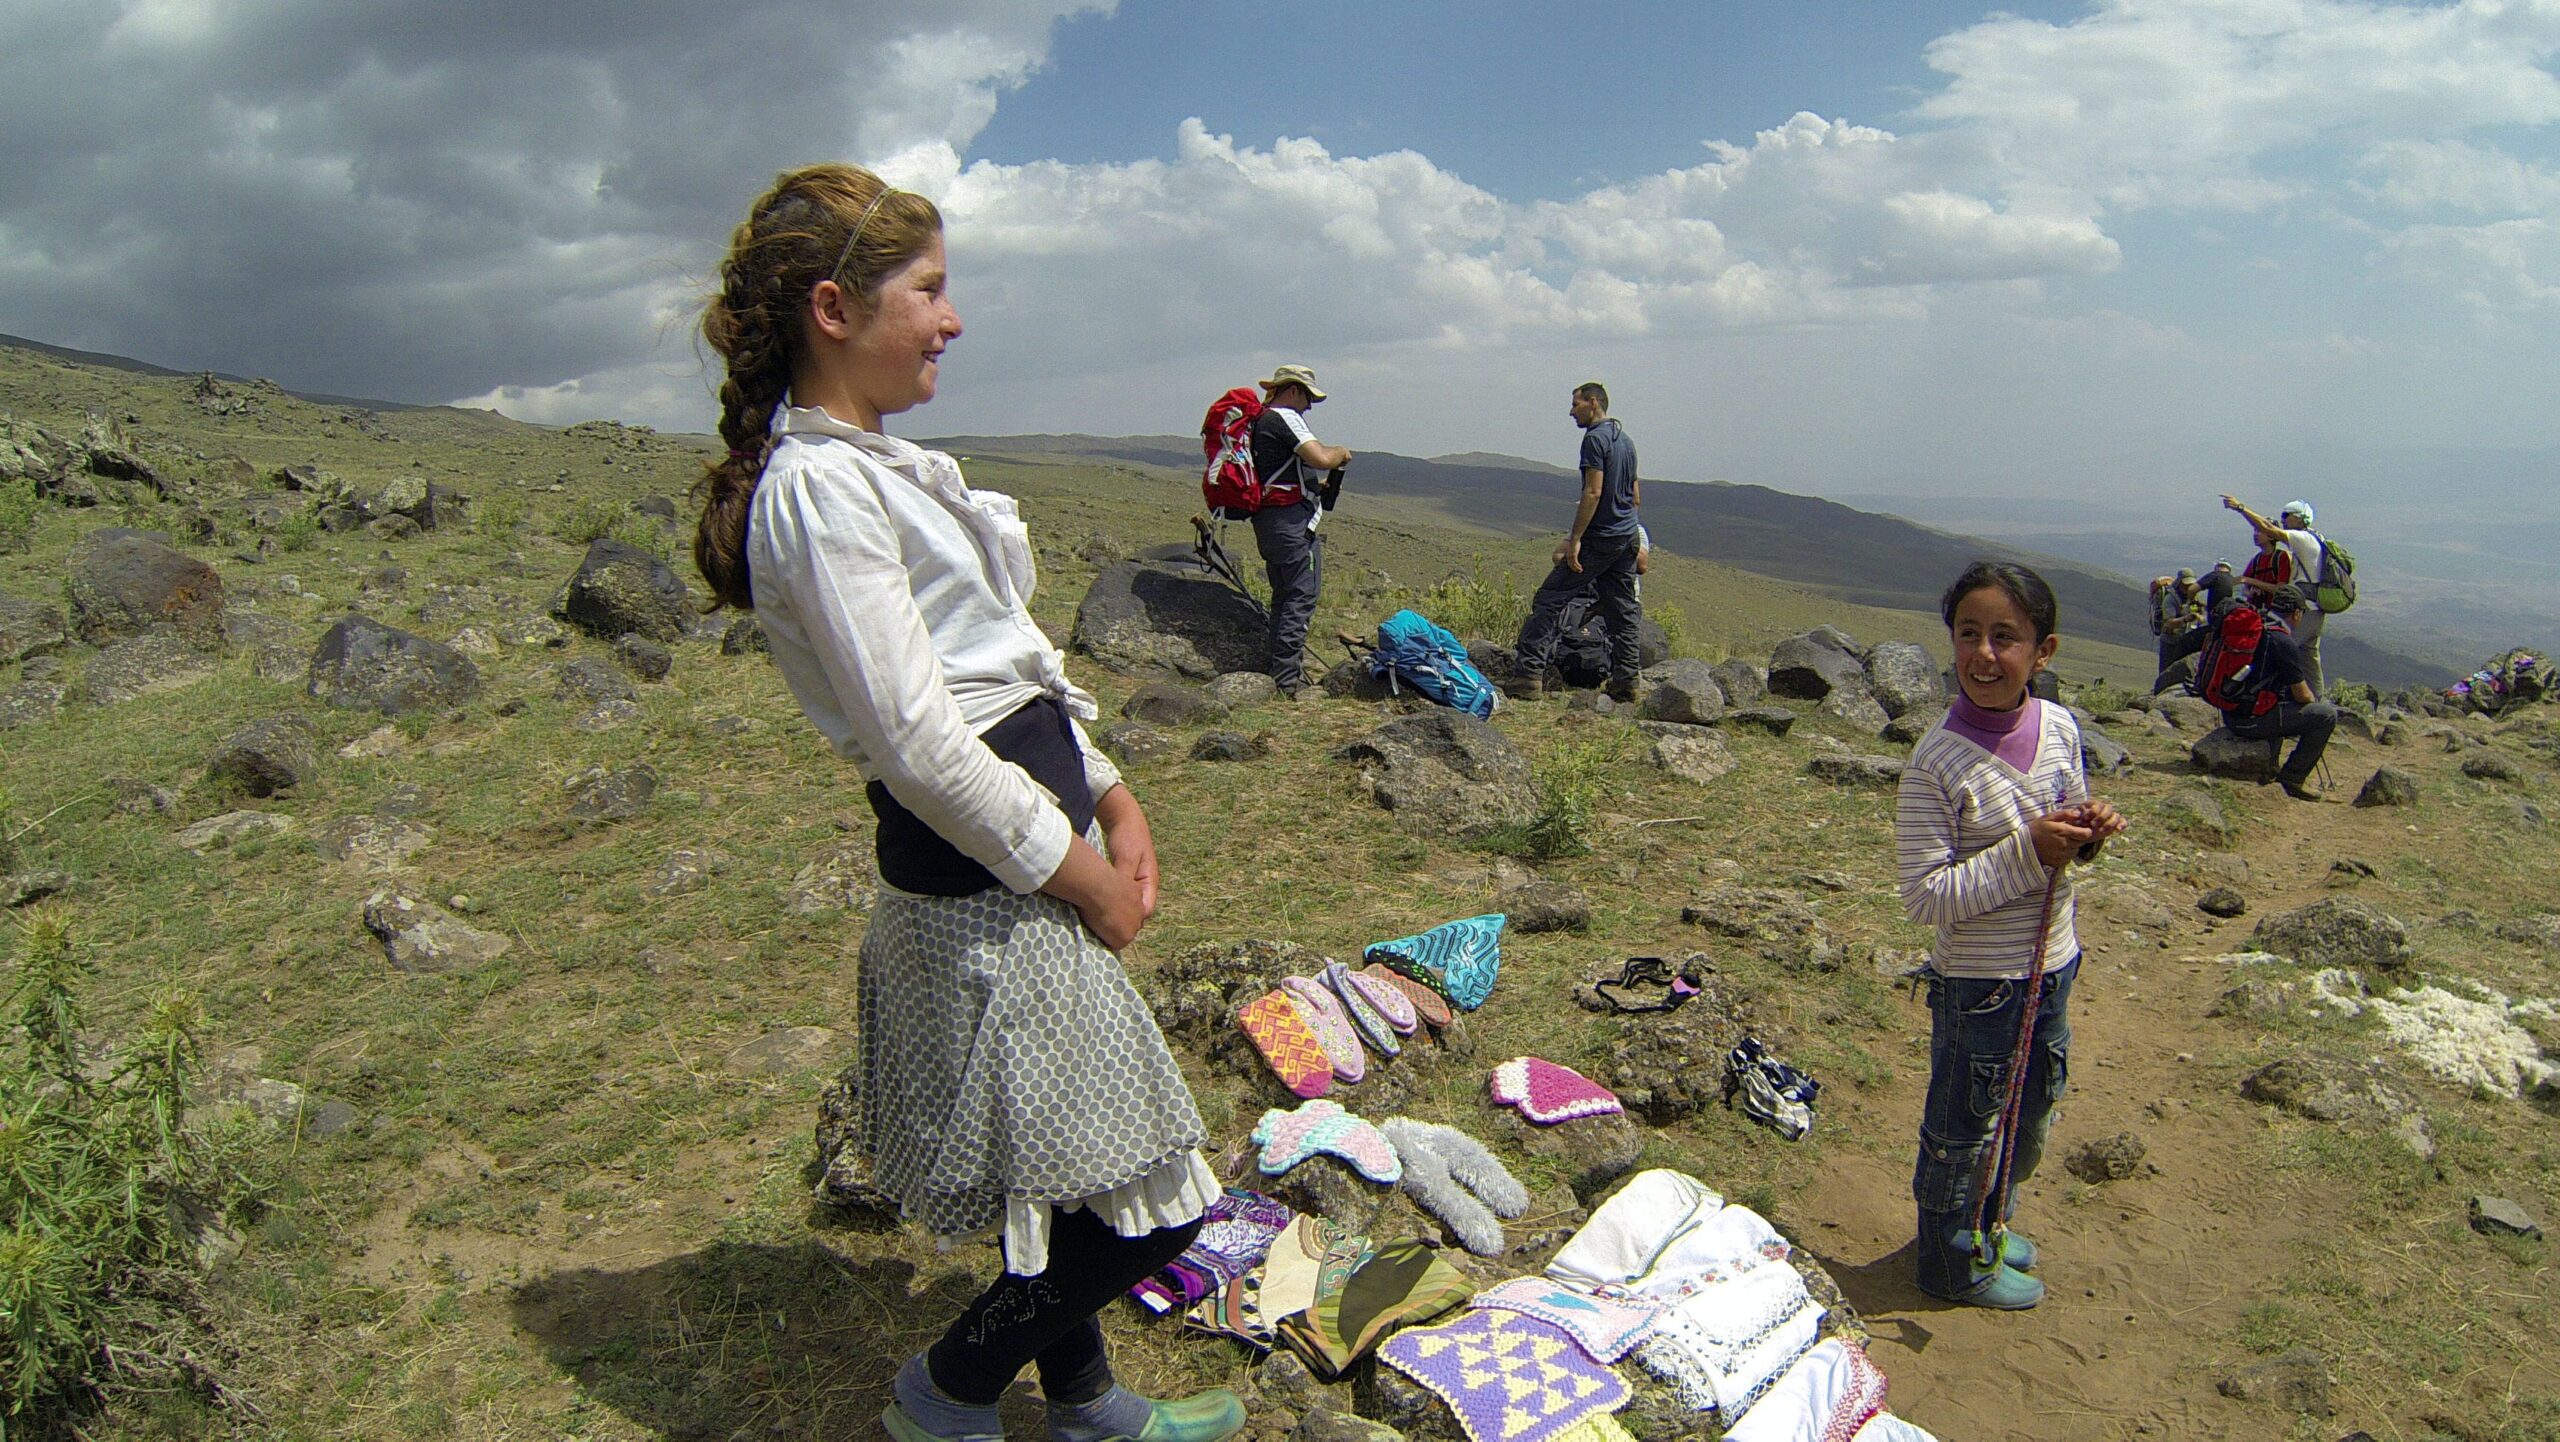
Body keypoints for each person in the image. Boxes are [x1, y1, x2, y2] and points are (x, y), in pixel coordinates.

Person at [691, 164, 1239, 1442]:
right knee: (1155, 1206)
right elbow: (918, 740)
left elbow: (1000, 664)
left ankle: (1085, 1403)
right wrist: (1081, 871)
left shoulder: (873, 469)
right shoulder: (819, 491)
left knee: (1062, 1166)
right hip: (987, 895)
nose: (952, 319)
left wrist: (1111, 790)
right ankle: (945, 1390)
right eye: (928, 290)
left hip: (1020, 867)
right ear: (835, 309)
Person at [1896, 561, 2127, 1310]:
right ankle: (1947, 1263)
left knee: (2027, 1114)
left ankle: (1985, 1227)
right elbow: (1925, 897)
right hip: (1979, 985)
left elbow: (2067, 825)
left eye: (2006, 637)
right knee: (1963, 1129)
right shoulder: (1935, 764)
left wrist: (2086, 832)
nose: (1984, 654)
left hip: (2054, 962)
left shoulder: (2059, 727)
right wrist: (2032, 849)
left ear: (2043, 650)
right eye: (1969, 634)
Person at [1508, 382, 1644, 701]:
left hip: (1601, 539)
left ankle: (1528, 677)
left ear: (1593, 403)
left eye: (1576, 404)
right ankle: (1627, 682)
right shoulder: (1625, 441)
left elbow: (1593, 491)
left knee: (1549, 599)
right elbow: (1635, 496)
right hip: (1626, 536)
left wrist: (1577, 539)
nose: (1571, 412)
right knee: (1623, 610)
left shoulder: (1595, 439)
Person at [1248, 364, 1351, 697]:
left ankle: (1278, 674)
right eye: (1308, 398)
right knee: (1300, 598)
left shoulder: (1260, 421)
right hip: (1292, 525)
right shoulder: (1284, 417)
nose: (1308, 407)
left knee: (1283, 598)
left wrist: (1312, 487)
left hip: (1268, 522)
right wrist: (1340, 453)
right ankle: (1286, 684)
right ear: (1292, 390)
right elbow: (1320, 457)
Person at [2231, 585, 2339, 801]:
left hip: (2231, 712)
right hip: (2251, 721)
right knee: (2326, 716)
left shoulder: (2257, 626)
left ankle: (2271, 766)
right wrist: (2312, 701)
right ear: (2296, 613)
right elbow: (2303, 695)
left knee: (2279, 699)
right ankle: (2292, 779)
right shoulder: (2282, 641)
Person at [2223, 494, 2328, 695]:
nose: (2283, 519)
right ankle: (2316, 702)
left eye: (2287, 515)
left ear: (2300, 519)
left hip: (2304, 610)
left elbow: (2269, 529)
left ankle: (2281, 697)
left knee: (2278, 649)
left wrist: (2241, 508)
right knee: (2309, 657)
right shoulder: (2315, 538)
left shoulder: (2303, 538)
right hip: (2314, 609)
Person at [2148, 568, 2206, 673]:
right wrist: (2185, 619)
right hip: (2170, 642)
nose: (2188, 587)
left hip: (2186, 641)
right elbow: (2168, 623)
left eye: (2191, 584)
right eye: (2186, 585)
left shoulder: (2195, 597)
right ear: (2179, 583)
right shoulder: (2170, 599)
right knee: (2166, 672)